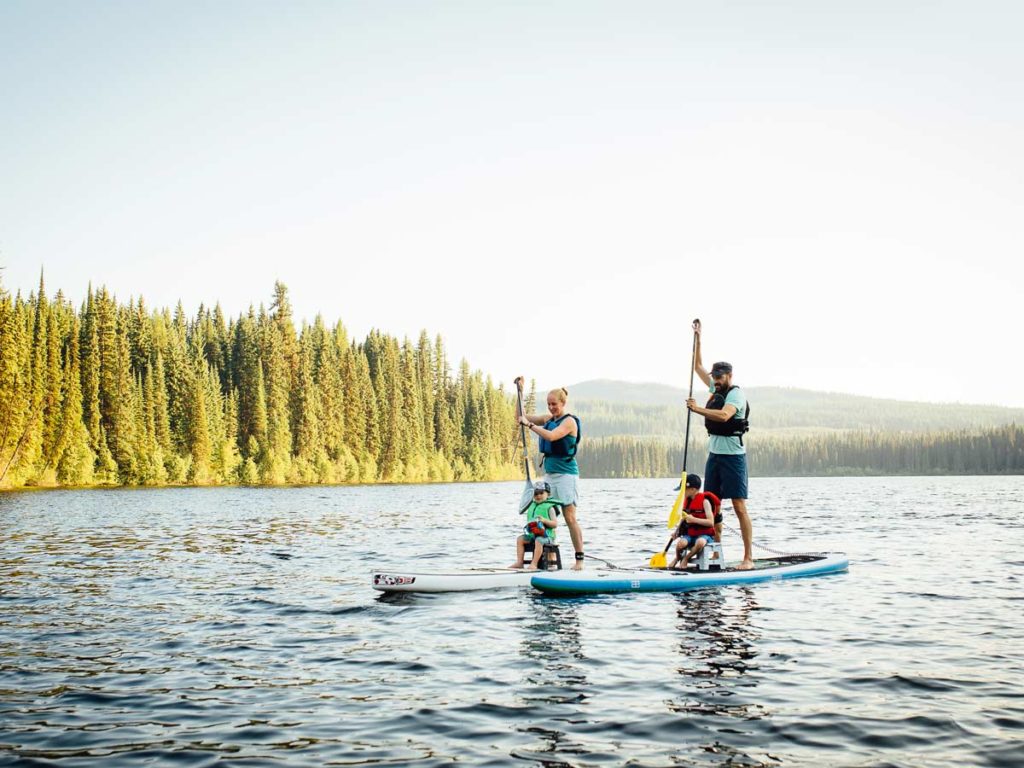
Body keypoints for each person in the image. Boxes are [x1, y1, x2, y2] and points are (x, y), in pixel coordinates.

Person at [685, 321, 755, 570]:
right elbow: (697, 366)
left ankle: (748, 558)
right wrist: (698, 338)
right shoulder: (714, 387)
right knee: (712, 507)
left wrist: (697, 409)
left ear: (729, 376)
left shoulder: (735, 393)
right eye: (714, 377)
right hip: (714, 455)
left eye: (720, 377)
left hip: (733, 457)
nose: (716, 380)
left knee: (738, 505)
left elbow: (725, 416)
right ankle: (715, 553)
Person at [515, 380, 584, 570]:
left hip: (566, 475)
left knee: (570, 518)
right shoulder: (548, 420)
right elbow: (519, 416)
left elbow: (552, 437)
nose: (551, 407)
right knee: (546, 515)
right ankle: (550, 560)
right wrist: (519, 393)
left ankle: (579, 560)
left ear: (563, 403)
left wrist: (529, 425)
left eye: (555, 404)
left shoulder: (569, 421)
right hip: (550, 475)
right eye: (549, 404)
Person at [668, 473, 718, 569]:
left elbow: (711, 522)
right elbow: (683, 520)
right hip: (690, 534)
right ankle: (678, 558)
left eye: (684, 490)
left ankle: (686, 558)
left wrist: (694, 519)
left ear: (692, 489)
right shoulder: (686, 502)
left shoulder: (705, 502)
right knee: (680, 544)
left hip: (704, 535)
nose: (682, 493)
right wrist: (676, 532)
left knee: (700, 542)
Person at [510, 481, 561, 570]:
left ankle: (534, 563)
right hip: (533, 534)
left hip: (547, 536)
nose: (538, 496)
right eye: (536, 494)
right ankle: (519, 562)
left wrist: (544, 520)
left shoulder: (550, 508)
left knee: (538, 540)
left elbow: (555, 524)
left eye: (541, 493)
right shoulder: (532, 506)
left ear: (548, 494)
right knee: (520, 539)